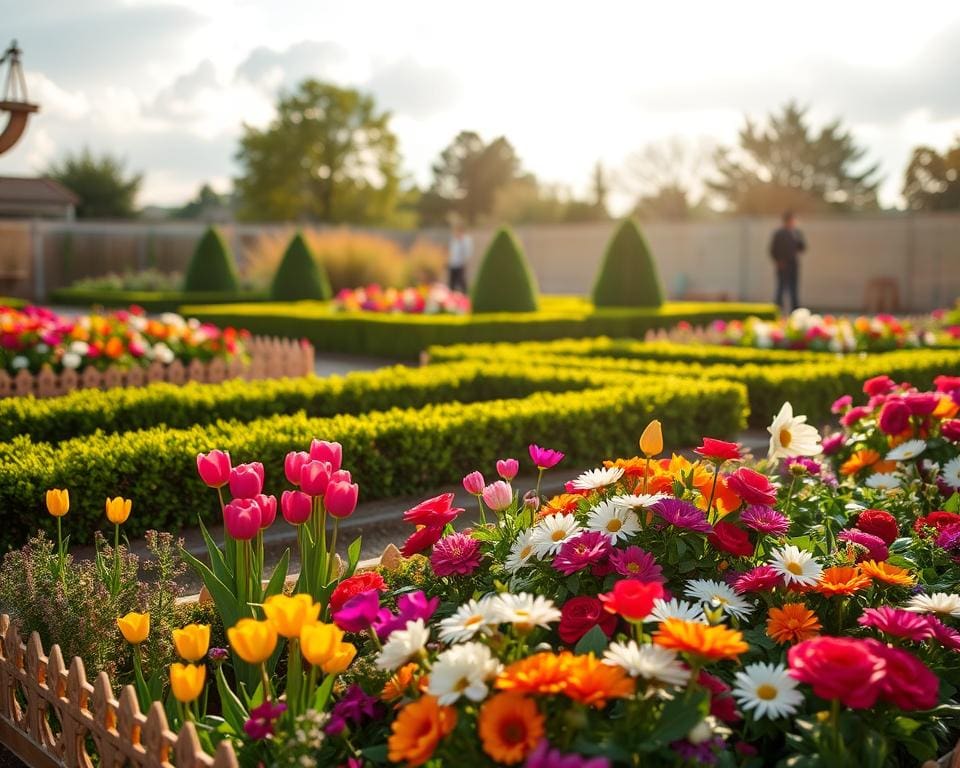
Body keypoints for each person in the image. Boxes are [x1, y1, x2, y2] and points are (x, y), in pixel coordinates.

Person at [769, 210, 805, 312]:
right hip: (783, 264)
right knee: (781, 287)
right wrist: (778, 261)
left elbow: (802, 247)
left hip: (793, 264)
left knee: (794, 288)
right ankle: (777, 309)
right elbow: (773, 249)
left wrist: (797, 238)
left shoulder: (796, 233)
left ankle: (795, 310)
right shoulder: (779, 233)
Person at [448, 222, 472, 293]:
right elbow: (452, 251)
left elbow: (467, 252)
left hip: (460, 264)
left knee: (461, 282)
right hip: (453, 264)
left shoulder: (466, 240)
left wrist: (465, 262)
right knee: (452, 283)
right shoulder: (454, 240)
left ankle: (465, 295)